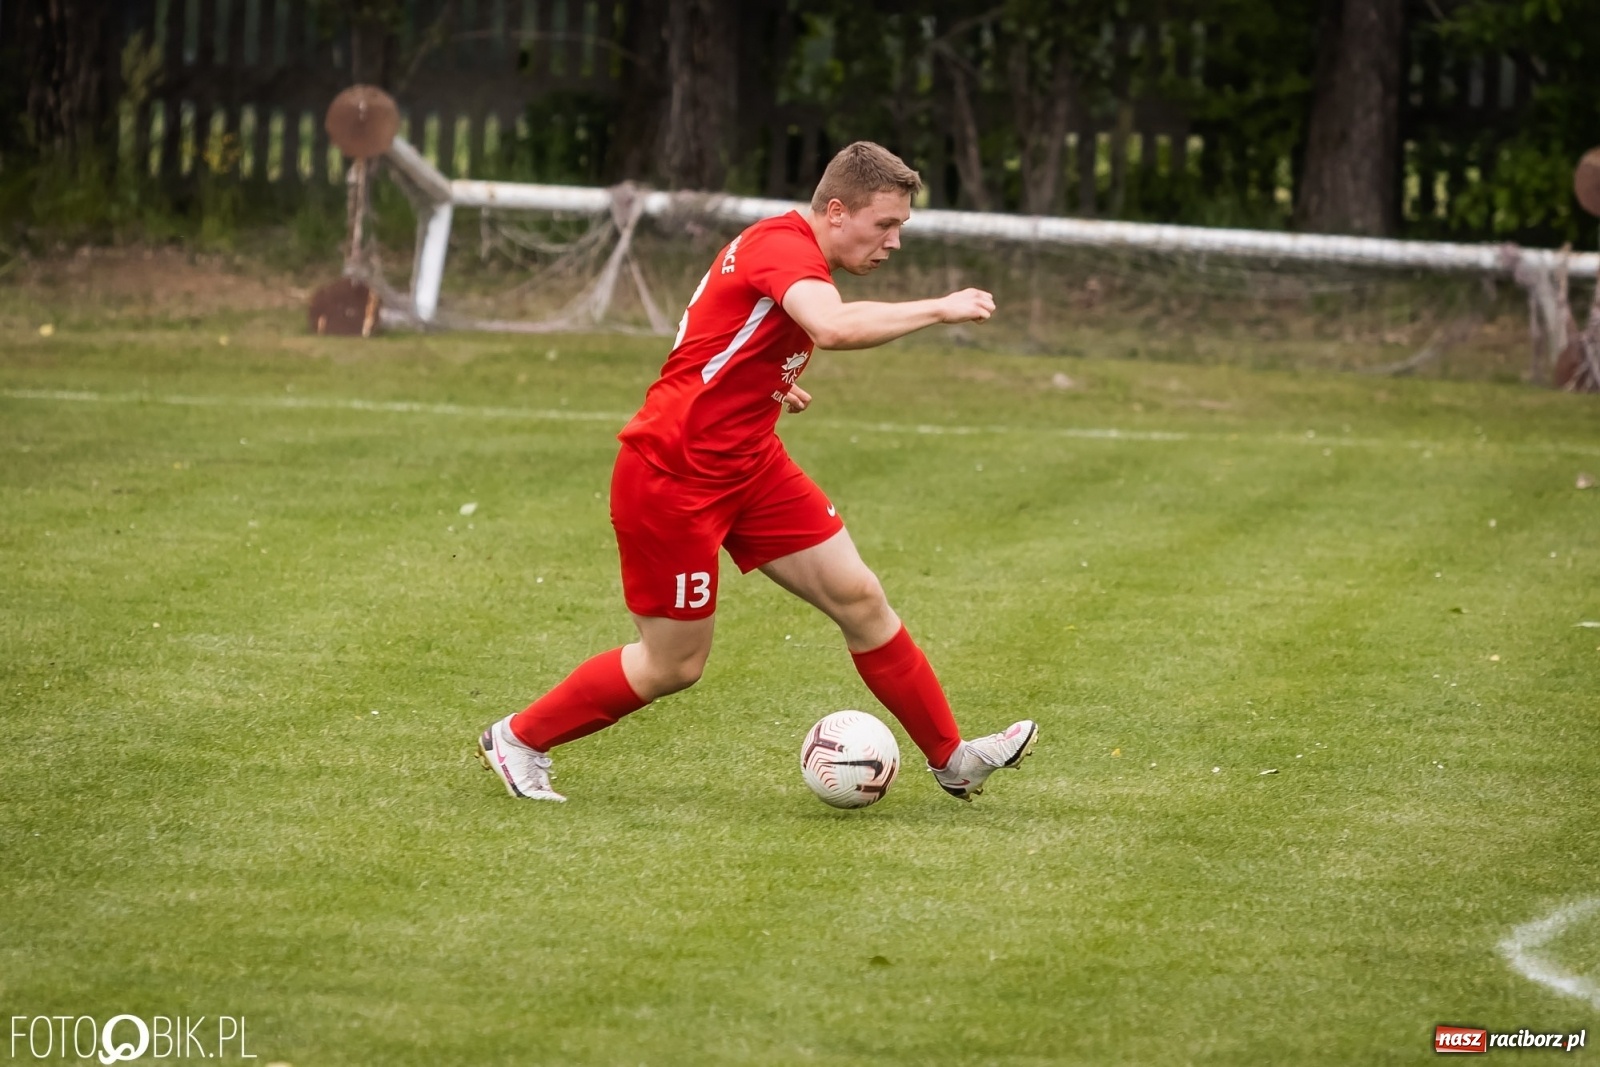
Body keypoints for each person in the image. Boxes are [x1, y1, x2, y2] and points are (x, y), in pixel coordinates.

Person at [478, 141, 1037, 804]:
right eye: (885, 224)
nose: (894, 241)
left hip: (750, 463)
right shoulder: (783, 247)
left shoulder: (788, 249)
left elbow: (709, 330)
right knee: (674, 663)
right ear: (837, 211)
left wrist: (765, 382)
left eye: (901, 227)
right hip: (674, 474)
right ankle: (519, 738)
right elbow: (831, 327)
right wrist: (939, 307)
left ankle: (953, 758)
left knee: (859, 597)